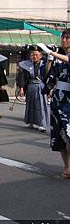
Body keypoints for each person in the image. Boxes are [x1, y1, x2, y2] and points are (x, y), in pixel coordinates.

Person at [40, 30, 70, 179]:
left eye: (67, 38)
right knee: (58, 134)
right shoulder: (57, 57)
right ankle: (67, 166)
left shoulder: (62, 56)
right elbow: (48, 76)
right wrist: (49, 58)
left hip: (69, 100)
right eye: (63, 37)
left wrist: (53, 54)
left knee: (69, 133)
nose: (64, 40)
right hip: (58, 98)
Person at [16, 46, 49, 132]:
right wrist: (22, 88)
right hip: (30, 86)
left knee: (40, 105)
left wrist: (50, 88)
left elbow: (48, 76)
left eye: (36, 55)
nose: (34, 57)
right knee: (30, 104)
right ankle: (31, 121)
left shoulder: (45, 64)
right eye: (32, 55)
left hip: (40, 86)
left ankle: (41, 124)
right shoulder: (27, 64)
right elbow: (22, 77)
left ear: (41, 56)